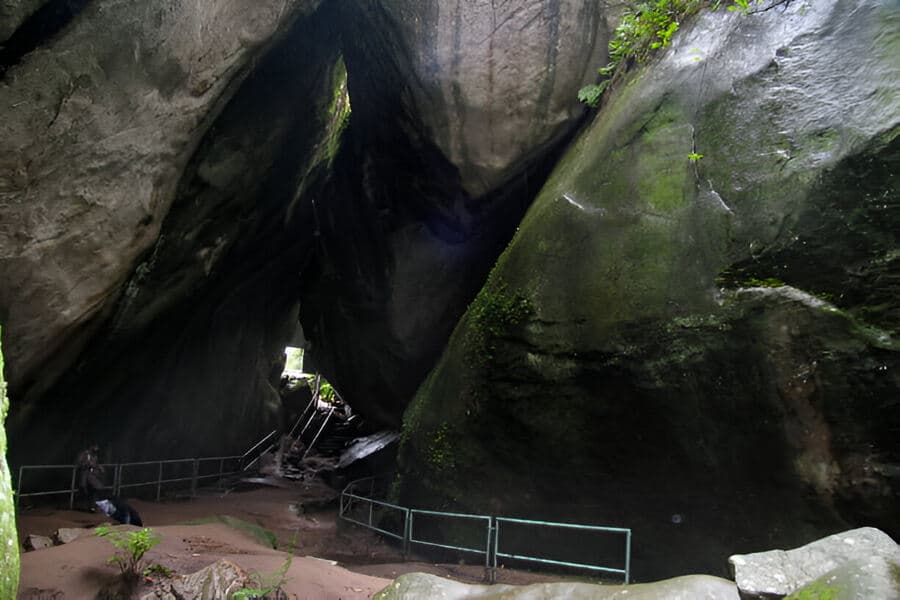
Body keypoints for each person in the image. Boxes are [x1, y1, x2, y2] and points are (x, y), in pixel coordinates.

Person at [76, 444, 105, 508]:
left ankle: (92, 505)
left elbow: (95, 464)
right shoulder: (85, 454)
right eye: (94, 449)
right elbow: (79, 463)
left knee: (96, 489)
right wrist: (87, 464)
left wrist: (98, 467)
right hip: (84, 474)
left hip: (92, 475)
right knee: (84, 489)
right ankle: (84, 505)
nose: (95, 451)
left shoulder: (95, 456)